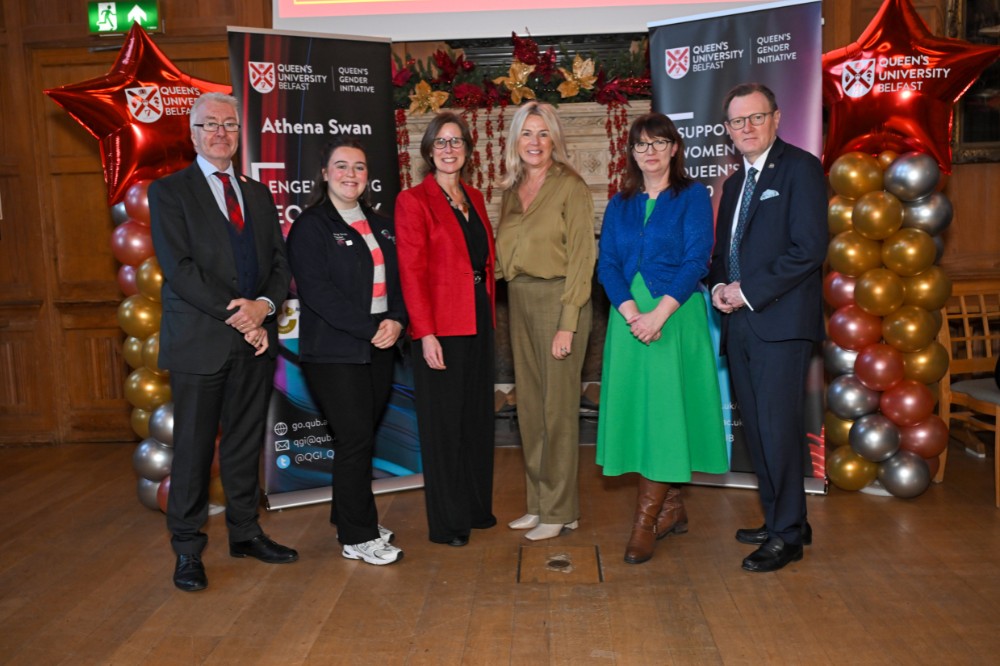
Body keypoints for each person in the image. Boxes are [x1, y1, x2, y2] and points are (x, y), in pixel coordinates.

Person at [149, 92, 297, 592]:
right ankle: (188, 549)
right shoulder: (169, 192)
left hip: (254, 341)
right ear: (192, 134)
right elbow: (180, 269)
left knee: (243, 443)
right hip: (200, 342)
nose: (220, 132)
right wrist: (243, 315)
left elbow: (278, 263)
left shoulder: (257, 193)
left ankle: (245, 532)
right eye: (209, 124)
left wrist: (265, 308)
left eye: (229, 125)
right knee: (193, 450)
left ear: (239, 134)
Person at [596, 113, 729, 564]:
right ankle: (670, 508)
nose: (649, 151)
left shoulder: (692, 197)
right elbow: (607, 264)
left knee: (665, 416)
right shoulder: (620, 203)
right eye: (641, 144)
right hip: (628, 321)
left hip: (674, 318)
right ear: (632, 153)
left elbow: (697, 259)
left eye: (658, 143)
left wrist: (658, 315)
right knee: (642, 415)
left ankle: (645, 522)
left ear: (674, 149)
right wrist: (631, 312)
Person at [708, 83, 827, 573]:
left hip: (780, 323)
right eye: (738, 121)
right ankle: (784, 517)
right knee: (759, 431)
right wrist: (719, 287)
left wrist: (747, 292)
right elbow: (724, 253)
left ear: (776, 118)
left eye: (756, 117)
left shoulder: (800, 168)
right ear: (728, 130)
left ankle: (787, 537)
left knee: (777, 429)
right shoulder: (735, 181)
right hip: (740, 325)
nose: (747, 128)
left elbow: (809, 249)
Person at [285, 138, 407, 566]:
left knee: (359, 438)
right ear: (325, 174)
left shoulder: (382, 225)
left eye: (358, 167)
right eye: (341, 166)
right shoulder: (311, 226)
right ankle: (358, 535)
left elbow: (402, 281)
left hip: (380, 346)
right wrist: (372, 328)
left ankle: (347, 515)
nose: (350, 174)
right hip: (334, 352)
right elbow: (318, 293)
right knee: (354, 439)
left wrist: (397, 320)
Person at [396, 112, 498, 547]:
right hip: (440, 326)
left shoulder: (473, 196)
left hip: (479, 317)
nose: (449, 149)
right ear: (428, 151)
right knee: (444, 427)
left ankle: (475, 508)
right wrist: (425, 333)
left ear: (468, 151)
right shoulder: (413, 201)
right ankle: (448, 522)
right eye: (441, 141)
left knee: (476, 419)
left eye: (456, 141)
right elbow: (411, 272)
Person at [496, 101, 596, 542]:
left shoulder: (571, 186)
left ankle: (560, 509)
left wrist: (567, 323)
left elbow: (582, 259)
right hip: (519, 302)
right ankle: (539, 504)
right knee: (531, 410)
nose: (534, 142)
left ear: (554, 139)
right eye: (526, 133)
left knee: (557, 412)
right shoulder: (511, 190)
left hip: (560, 300)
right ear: (515, 140)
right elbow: (503, 258)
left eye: (542, 133)